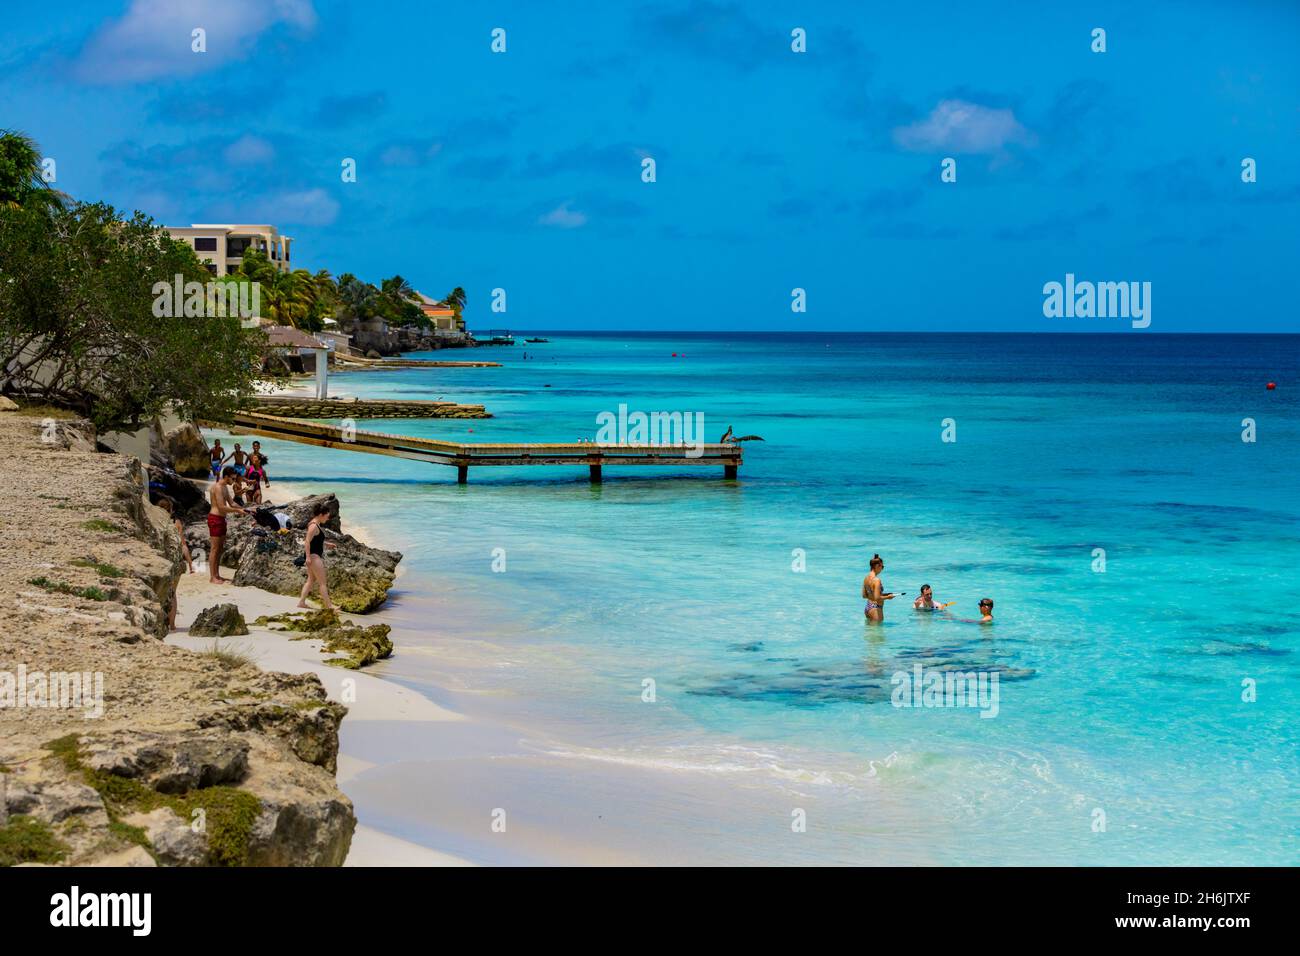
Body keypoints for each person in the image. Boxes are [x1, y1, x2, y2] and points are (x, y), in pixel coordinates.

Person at [207, 467, 252, 584]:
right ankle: (212, 577)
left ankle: (217, 575)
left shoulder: (225, 487)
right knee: (214, 549)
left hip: (222, 519)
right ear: (226, 476)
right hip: (215, 519)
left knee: (220, 548)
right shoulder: (217, 487)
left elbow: (231, 503)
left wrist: (245, 509)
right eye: (232, 478)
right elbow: (222, 507)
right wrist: (237, 512)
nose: (234, 480)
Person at [298, 502, 336, 610]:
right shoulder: (314, 526)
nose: (327, 519)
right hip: (314, 557)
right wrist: (308, 557)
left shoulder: (315, 524)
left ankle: (301, 602)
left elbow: (316, 540)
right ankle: (329, 606)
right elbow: (307, 542)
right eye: (327, 516)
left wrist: (327, 544)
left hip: (313, 556)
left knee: (311, 580)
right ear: (321, 515)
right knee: (322, 582)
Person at [862, 553, 897, 622]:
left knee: (870, 631)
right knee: (877, 632)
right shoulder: (877, 580)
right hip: (876, 609)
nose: (882, 569)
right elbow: (877, 598)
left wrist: (884, 594)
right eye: (882, 567)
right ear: (877, 566)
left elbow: (864, 595)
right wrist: (888, 597)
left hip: (868, 607)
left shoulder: (866, 578)